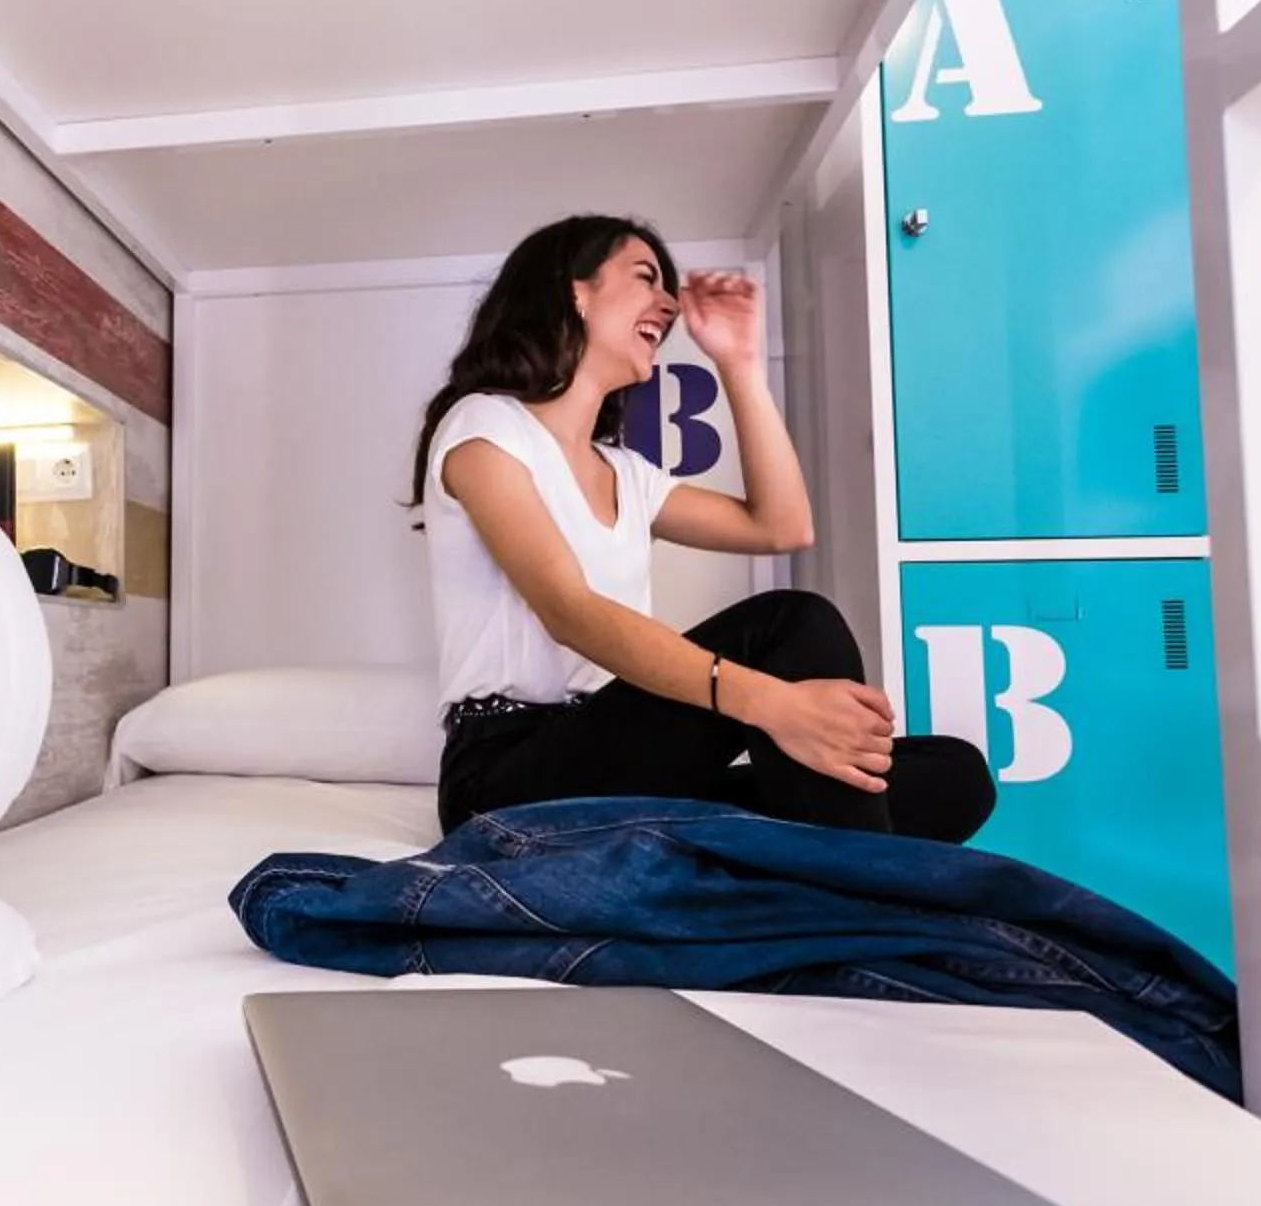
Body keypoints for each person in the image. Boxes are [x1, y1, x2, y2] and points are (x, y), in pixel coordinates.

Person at [416, 213, 994, 841]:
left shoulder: (627, 474)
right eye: (645, 278)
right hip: (507, 779)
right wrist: (770, 703)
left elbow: (782, 526)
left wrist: (739, 363)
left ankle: (821, 869)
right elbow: (568, 609)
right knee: (791, 624)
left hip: (620, 759)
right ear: (572, 291)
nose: (667, 303)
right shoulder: (486, 426)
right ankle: (854, 905)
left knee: (952, 774)